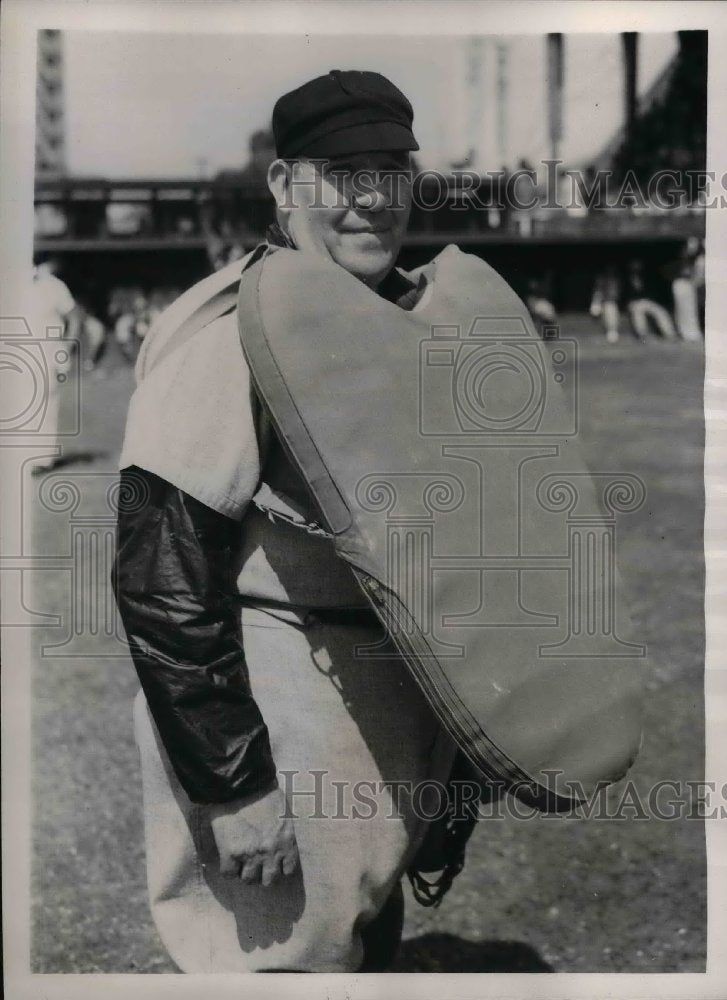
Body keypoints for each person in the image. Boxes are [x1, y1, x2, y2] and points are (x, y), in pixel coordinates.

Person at [112, 70, 487, 974]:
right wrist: (237, 786)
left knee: (361, 946)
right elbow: (162, 580)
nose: (371, 199)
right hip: (281, 706)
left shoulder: (392, 317)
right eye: (340, 172)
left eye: (392, 171)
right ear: (284, 187)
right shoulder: (235, 328)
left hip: (382, 704)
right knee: (279, 967)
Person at [30, 255, 81, 473]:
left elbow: (75, 318)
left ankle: (41, 460)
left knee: (45, 403)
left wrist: (66, 347)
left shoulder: (53, 286)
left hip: (47, 352)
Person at [624, 257, 677, 341]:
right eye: (634, 265)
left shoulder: (646, 277)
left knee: (660, 311)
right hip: (634, 302)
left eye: (638, 265)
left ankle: (669, 334)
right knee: (637, 312)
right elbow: (624, 295)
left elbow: (651, 292)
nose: (636, 267)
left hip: (646, 301)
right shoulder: (625, 279)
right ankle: (643, 335)